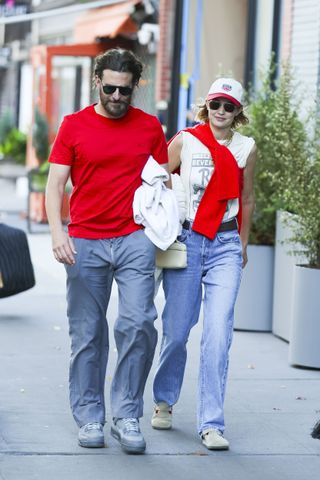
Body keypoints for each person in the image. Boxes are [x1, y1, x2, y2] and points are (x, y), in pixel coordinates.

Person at [45, 48, 169, 454]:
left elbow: (161, 184)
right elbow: (54, 184)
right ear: (98, 82)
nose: (117, 97)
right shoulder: (74, 125)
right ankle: (90, 417)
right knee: (88, 333)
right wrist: (57, 232)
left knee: (138, 324)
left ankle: (127, 413)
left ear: (135, 87)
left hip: (134, 237)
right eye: (110, 88)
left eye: (125, 90)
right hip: (84, 239)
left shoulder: (150, 127)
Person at [151, 77, 257, 450]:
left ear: (238, 112)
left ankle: (211, 423)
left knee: (218, 334)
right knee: (177, 331)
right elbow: (156, 179)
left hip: (226, 243)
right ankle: (164, 400)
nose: (221, 112)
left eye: (229, 106)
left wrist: (242, 244)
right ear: (206, 106)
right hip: (187, 238)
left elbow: (247, 196)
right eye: (216, 104)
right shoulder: (186, 139)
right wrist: (168, 217)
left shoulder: (247, 147)